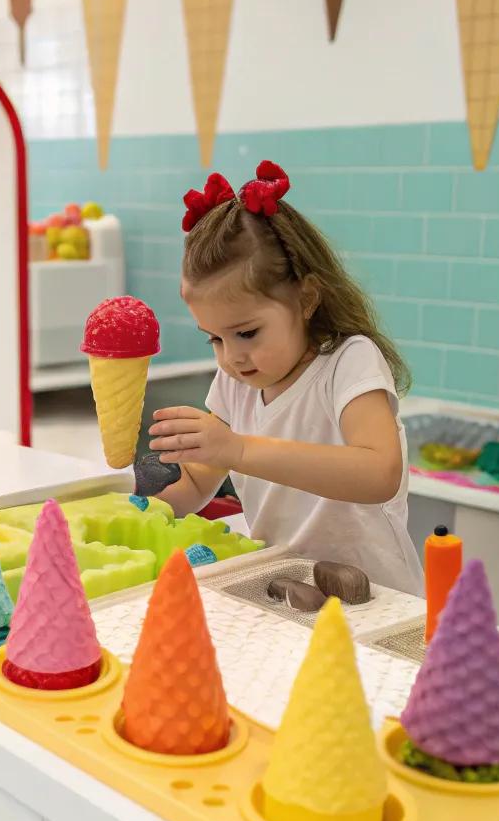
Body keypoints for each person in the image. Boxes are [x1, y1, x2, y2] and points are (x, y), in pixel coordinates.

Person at [148, 161, 424, 594]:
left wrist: (237, 448)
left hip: (378, 597)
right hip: (285, 586)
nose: (232, 357)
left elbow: (379, 473)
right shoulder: (236, 383)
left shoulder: (349, 362)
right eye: (214, 339)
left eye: (247, 332)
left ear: (308, 298)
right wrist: (140, 504)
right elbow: (199, 481)